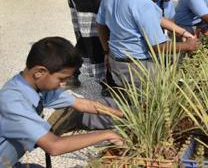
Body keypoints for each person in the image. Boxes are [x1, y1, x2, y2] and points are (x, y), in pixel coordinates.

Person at [0, 37, 123, 167]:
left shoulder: (36, 85)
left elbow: (82, 104)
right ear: (39, 72)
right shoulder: (14, 104)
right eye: (61, 79)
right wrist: (107, 134)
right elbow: (54, 146)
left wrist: (122, 114)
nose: (63, 84)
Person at [96, 0, 199, 87]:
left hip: (116, 61)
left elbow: (100, 24)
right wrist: (187, 46)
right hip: (138, 67)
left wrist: (106, 51)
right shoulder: (143, 3)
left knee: (129, 101)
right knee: (154, 101)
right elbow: (157, 47)